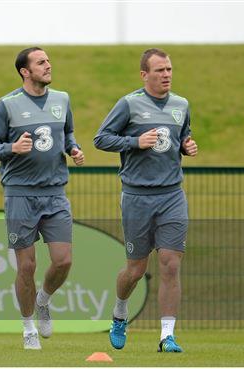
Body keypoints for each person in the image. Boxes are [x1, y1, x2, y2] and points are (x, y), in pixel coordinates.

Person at [94, 48, 198, 353]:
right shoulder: (129, 104)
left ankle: (167, 336)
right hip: (137, 198)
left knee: (170, 265)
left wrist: (186, 146)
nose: (166, 75)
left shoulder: (181, 105)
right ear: (144, 75)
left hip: (172, 196)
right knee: (135, 270)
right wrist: (134, 142)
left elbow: (181, 138)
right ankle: (120, 313)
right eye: (159, 70)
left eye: (169, 69)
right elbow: (101, 139)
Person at [0, 47, 85, 350]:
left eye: (49, 60)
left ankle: (44, 299)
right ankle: (28, 329)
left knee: (63, 261)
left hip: (55, 193)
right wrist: (12, 148)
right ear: (25, 72)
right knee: (26, 267)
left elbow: (67, 135)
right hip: (20, 195)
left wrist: (73, 149)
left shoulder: (62, 100)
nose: (48, 66)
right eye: (41, 63)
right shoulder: (7, 105)